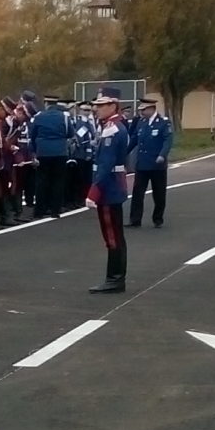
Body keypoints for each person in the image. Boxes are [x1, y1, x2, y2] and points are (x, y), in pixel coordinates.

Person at [86, 93, 132, 293]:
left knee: (112, 236)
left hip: (109, 187)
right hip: (113, 185)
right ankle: (116, 278)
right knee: (115, 235)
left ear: (113, 106)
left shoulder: (112, 129)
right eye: (97, 105)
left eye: (102, 105)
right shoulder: (112, 126)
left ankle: (115, 279)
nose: (97, 108)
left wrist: (93, 192)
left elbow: (106, 164)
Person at [130, 98, 172, 227]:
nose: (141, 112)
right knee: (137, 193)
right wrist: (122, 153)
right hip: (142, 164)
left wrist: (162, 155)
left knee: (159, 193)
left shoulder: (163, 122)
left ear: (151, 109)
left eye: (144, 110)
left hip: (157, 165)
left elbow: (167, 141)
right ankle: (135, 220)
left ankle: (158, 219)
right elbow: (134, 140)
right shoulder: (141, 122)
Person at [28, 96, 69, 217]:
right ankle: (55, 210)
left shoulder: (39, 117)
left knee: (41, 181)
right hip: (60, 152)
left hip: (43, 151)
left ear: (46, 103)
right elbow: (70, 133)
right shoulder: (64, 117)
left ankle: (40, 210)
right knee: (58, 181)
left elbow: (33, 135)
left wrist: (34, 151)